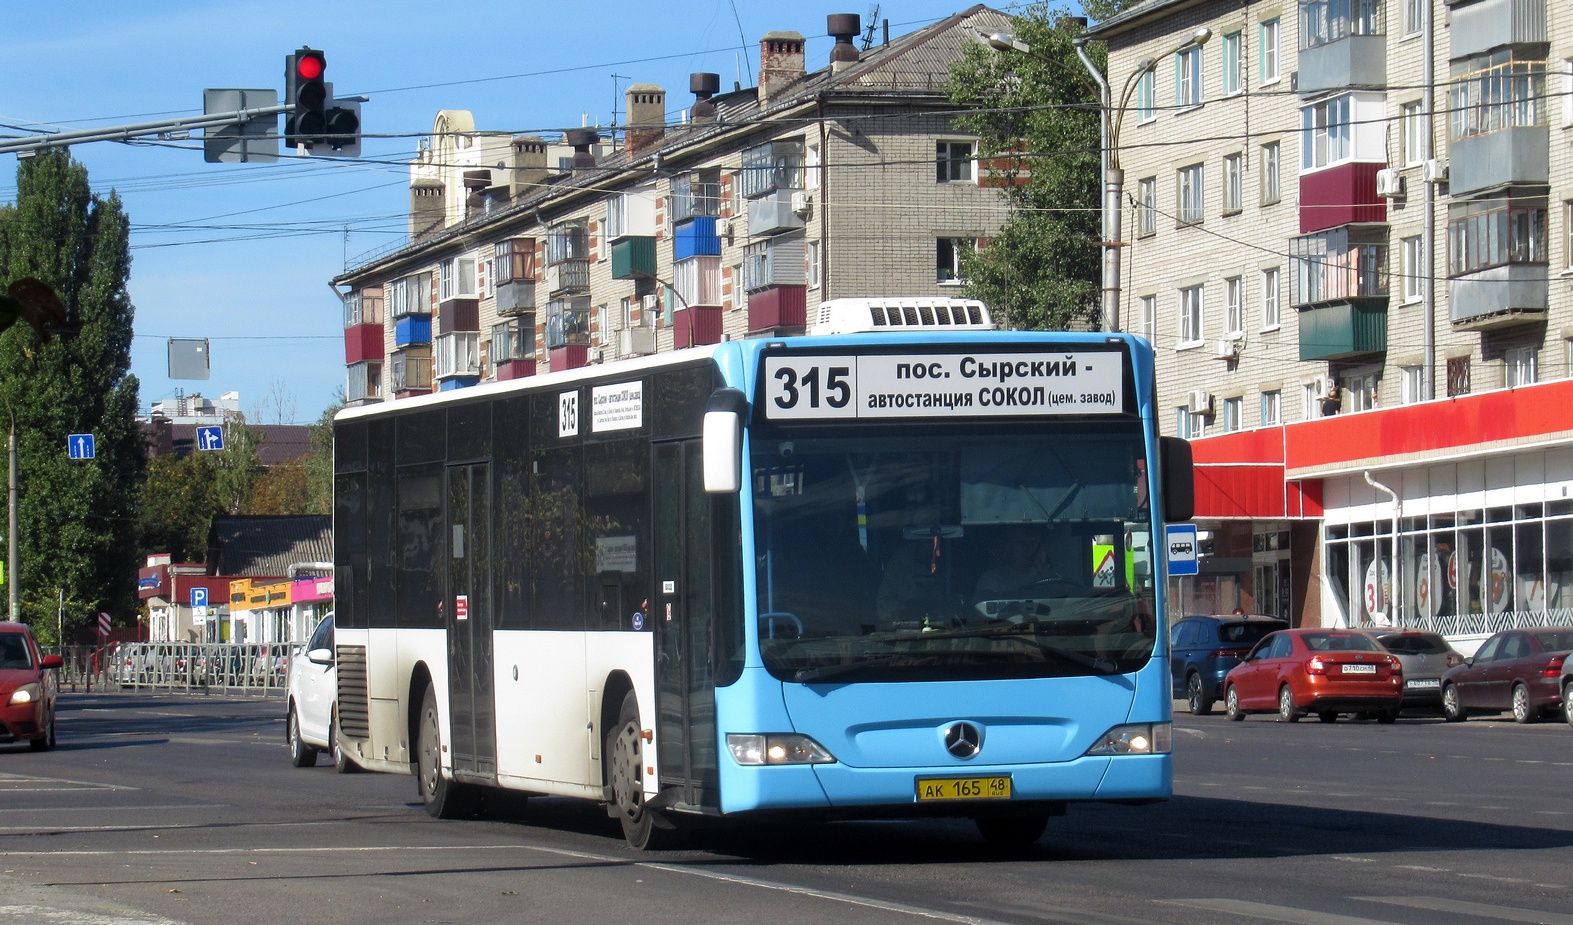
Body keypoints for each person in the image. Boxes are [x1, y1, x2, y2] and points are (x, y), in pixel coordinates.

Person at [974, 525, 1061, 598]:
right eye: (1022, 543)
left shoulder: (1050, 578)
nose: (1028, 549)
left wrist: (1041, 565)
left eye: (1033, 543)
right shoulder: (992, 577)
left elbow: (1067, 596)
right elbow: (984, 605)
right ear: (1010, 546)